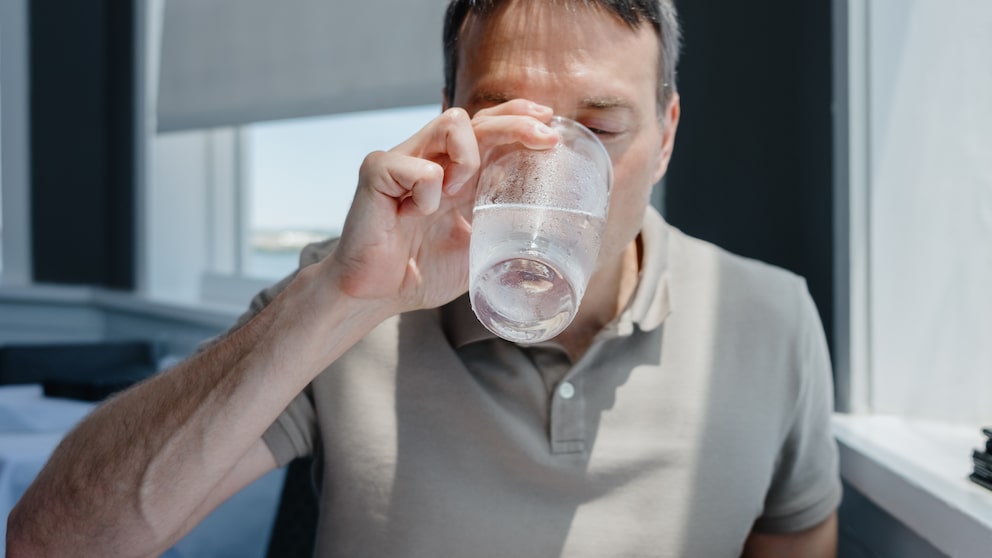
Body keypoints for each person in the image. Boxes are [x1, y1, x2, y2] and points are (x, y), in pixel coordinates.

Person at [7, 0, 841, 556]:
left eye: (598, 127)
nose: (547, 169)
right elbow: (51, 543)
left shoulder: (769, 320)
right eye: (507, 121)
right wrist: (340, 296)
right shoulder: (342, 302)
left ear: (665, 134)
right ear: (451, 115)